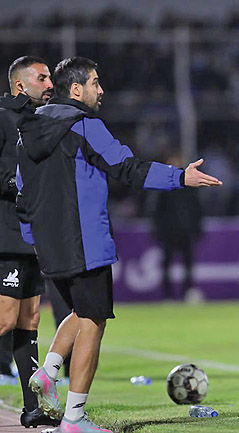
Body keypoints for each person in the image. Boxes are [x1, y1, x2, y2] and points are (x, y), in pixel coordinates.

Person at [16, 57, 221, 433]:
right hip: (85, 241)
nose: (101, 90)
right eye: (95, 83)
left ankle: (48, 372)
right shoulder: (85, 125)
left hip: (48, 244)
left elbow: (22, 193)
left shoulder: (27, 131)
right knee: (94, 321)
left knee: (80, 311)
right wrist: (179, 177)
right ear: (75, 89)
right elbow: (126, 168)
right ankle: (74, 418)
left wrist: (33, 239)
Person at [0, 55, 59, 428]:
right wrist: (24, 185)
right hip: (5, 234)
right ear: (20, 85)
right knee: (4, 319)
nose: (50, 83)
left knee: (29, 319)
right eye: (42, 78)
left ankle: (32, 406)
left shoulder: (39, 122)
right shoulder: (3, 117)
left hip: (31, 235)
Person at [152, 152, 204, 300]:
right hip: (168, 232)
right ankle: (167, 295)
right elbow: (156, 211)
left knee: (188, 264)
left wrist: (196, 228)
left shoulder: (188, 186)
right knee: (167, 265)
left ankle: (188, 291)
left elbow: (196, 209)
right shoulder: (163, 187)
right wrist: (158, 230)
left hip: (185, 231)